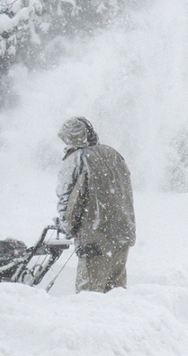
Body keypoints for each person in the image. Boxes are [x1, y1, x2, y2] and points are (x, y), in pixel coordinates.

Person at [55, 117, 135, 293]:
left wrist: (66, 225)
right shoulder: (113, 154)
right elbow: (125, 193)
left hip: (94, 236)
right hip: (122, 233)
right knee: (116, 291)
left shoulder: (76, 159)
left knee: (89, 294)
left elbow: (67, 199)